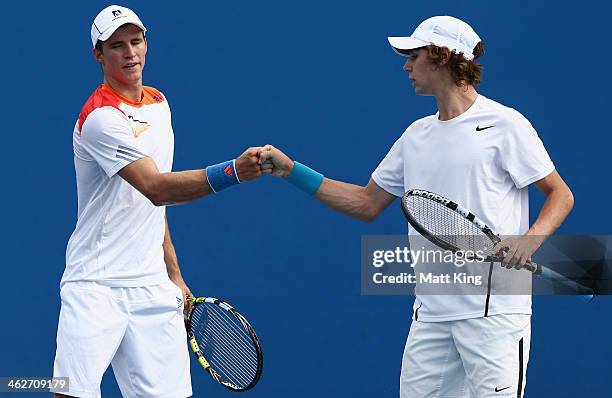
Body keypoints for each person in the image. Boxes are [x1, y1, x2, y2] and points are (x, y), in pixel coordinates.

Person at [259, 15, 574, 398]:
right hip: (431, 317)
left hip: (494, 316)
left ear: (442, 57)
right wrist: (292, 172)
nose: (406, 66)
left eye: (414, 55)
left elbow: (560, 194)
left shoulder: (505, 125)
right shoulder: (415, 136)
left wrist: (529, 242)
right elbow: (365, 202)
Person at [52, 5, 263, 398]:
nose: (130, 53)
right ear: (99, 55)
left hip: (152, 284)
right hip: (96, 284)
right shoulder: (101, 119)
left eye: (136, 41)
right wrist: (233, 171)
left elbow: (152, 205)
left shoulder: (158, 104)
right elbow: (157, 188)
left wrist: (174, 273)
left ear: (146, 44)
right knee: (69, 393)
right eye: (116, 46)